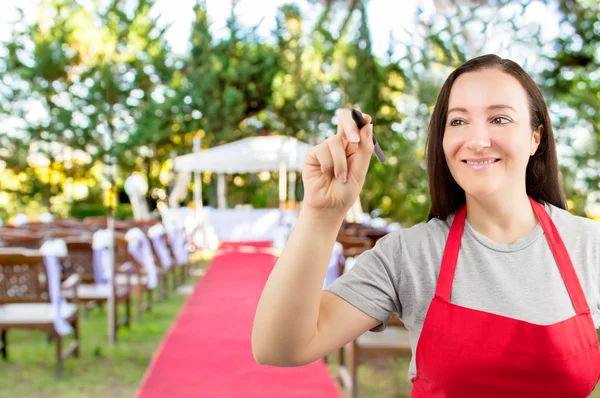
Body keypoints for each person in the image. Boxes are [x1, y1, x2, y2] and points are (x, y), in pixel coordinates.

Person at [251, 54, 600, 397]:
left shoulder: (590, 246)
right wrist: (322, 211)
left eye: (500, 119)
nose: (477, 140)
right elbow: (277, 348)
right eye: (459, 121)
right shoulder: (408, 256)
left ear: (535, 138)